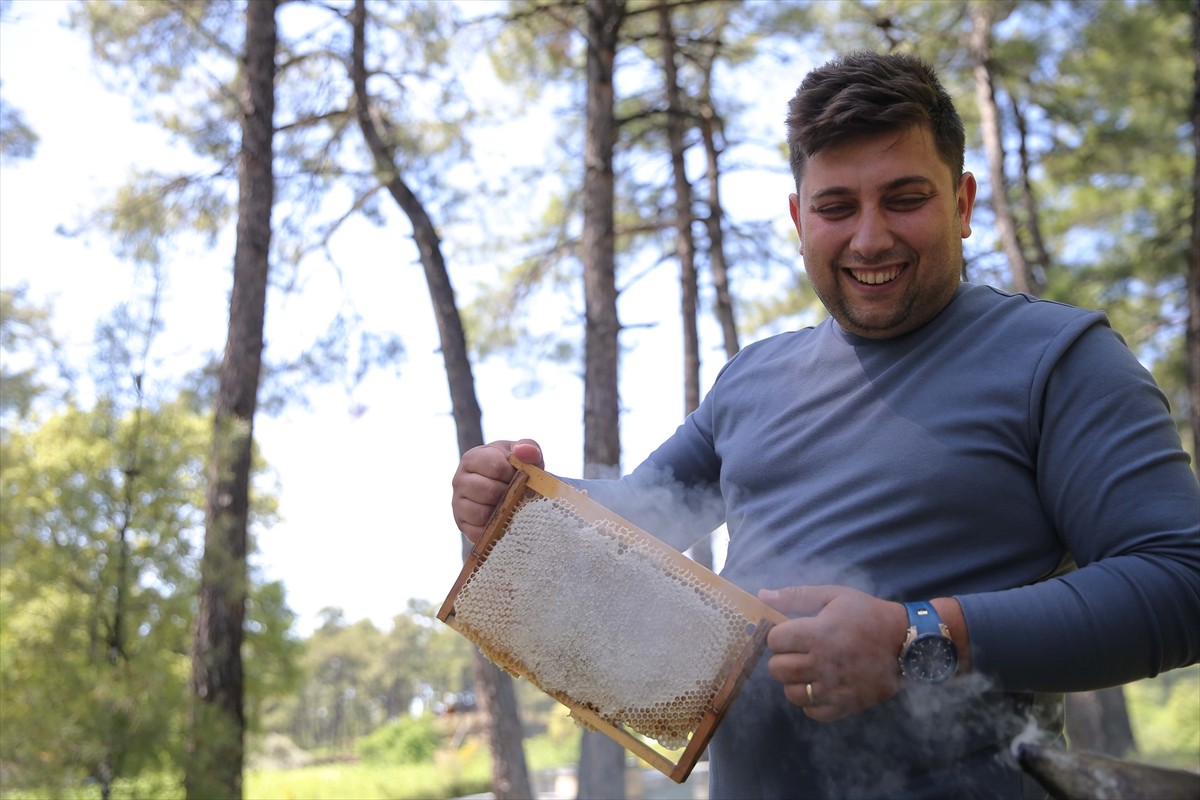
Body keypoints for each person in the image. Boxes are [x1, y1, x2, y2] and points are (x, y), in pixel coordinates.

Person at [451, 51, 1200, 799]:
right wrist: (521, 504)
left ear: (964, 203)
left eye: (905, 198)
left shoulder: (1059, 358)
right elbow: (636, 525)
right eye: (837, 207)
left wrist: (918, 638)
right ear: (798, 218)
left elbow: (1181, 579)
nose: (870, 239)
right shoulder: (749, 380)